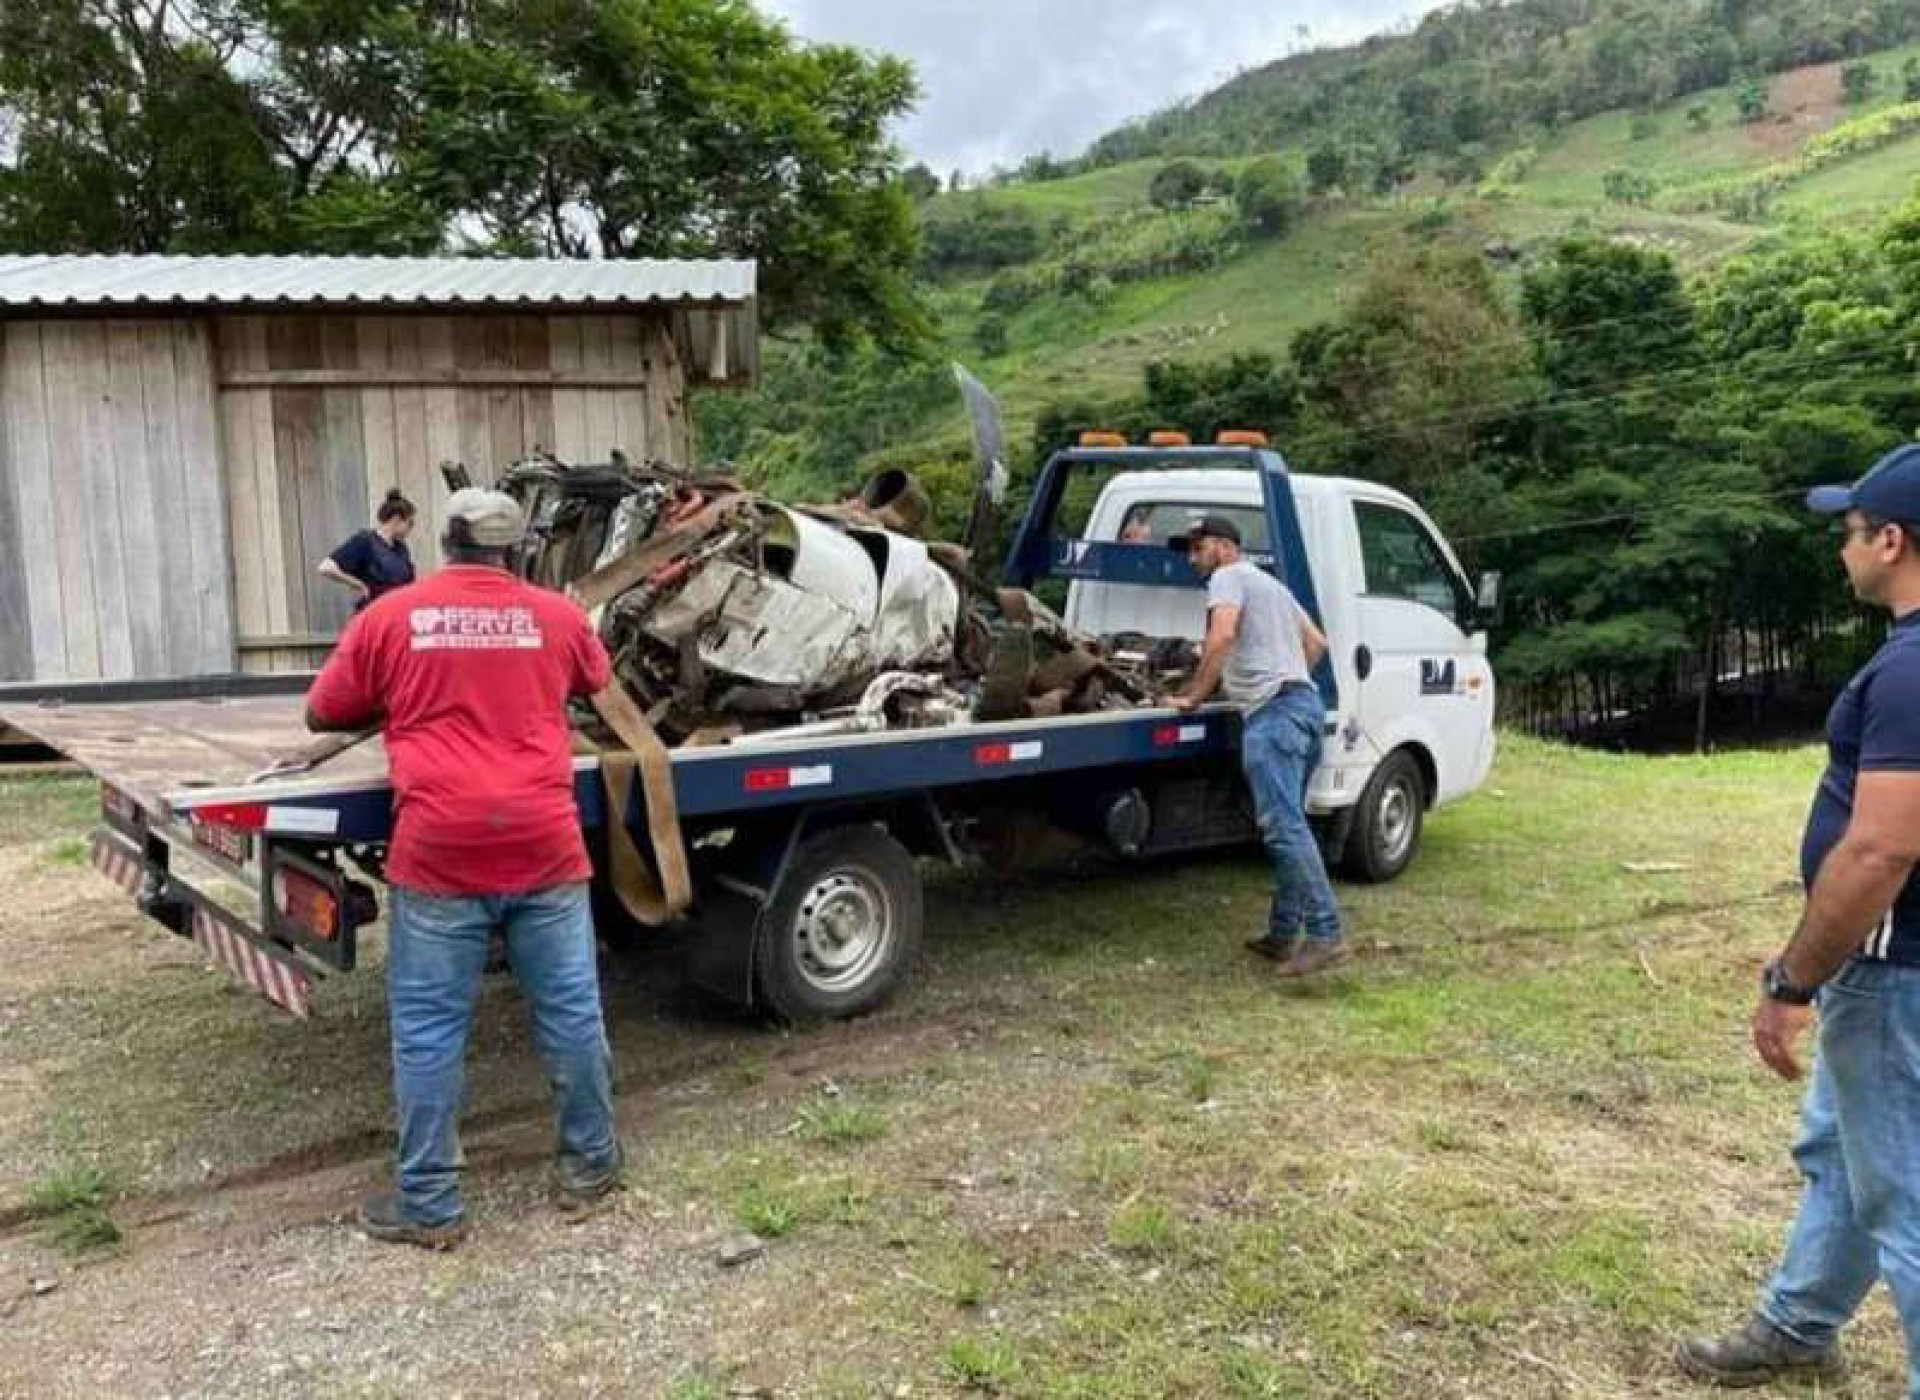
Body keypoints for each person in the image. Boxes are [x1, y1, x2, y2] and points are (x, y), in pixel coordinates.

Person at [305, 487, 625, 1249]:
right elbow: (596, 682)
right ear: (513, 551)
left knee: (427, 1030)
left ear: (445, 544)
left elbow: (322, 712)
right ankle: (591, 1165)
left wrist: (404, 695)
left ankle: (430, 1203)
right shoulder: (556, 616)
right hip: (544, 847)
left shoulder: (390, 616)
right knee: (572, 1013)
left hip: (439, 853)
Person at [1680, 443, 1920, 1393]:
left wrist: (1793, 981)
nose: (1840, 551)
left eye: (1850, 533)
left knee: (1904, 1196)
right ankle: (1800, 1323)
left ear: (1892, 540)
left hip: (1894, 975)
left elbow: (1880, 851)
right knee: (1841, 1151)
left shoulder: (1909, 673)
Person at [1167, 514, 1347, 977]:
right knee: (1293, 822)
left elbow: (1222, 635)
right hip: (1304, 706)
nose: (1193, 558)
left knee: (1283, 827)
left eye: (1198, 547)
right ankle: (1283, 934)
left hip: (1275, 717)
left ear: (1223, 547)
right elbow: (1317, 644)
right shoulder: (1274, 587)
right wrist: (1284, 675)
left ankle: (1325, 934)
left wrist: (1195, 694)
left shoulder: (1228, 578)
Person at [319, 489, 418, 610]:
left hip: (396, 615)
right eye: (410, 523)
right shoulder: (365, 541)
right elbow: (326, 567)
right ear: (396, 519)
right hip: (373, 614)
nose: (411, 528)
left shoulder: (401, 548)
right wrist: (359, 585)